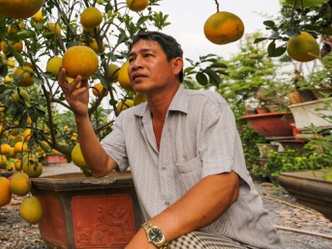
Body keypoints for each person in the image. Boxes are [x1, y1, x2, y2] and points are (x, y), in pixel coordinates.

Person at [59, 31, 283, 249]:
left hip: (239, 243)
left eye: (147, 56)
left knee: (173, 239)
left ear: (176, 65)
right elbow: (100, 166)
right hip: (174, 240)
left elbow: (223, 186)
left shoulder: (208, 107)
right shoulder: (129, 120)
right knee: (170, 239)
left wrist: (151, 234)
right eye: (131, 59)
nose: (135, 64)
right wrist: (81, 115)